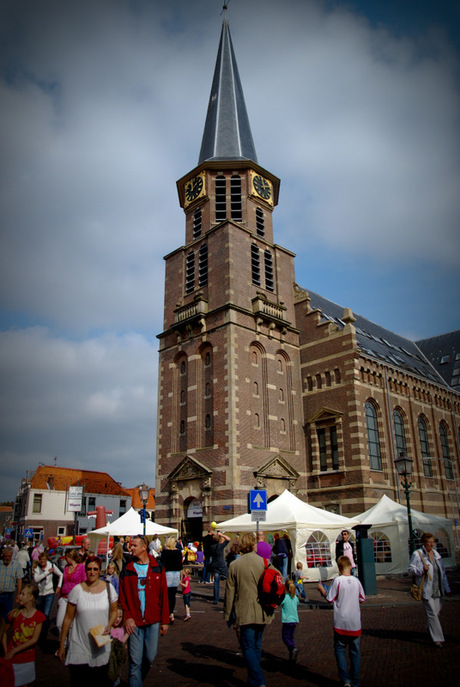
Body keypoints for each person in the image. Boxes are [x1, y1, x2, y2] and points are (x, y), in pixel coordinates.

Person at [224, 532, 275, 687]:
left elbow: (229, 593)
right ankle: (254, 679)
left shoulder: (234, 565)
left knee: (247, 646)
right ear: (254, 545)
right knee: (256, 645)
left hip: (245, 611)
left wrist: (228, 615)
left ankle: (258, 679)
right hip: (263, 611)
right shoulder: (265, 562)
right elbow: (277, 578)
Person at [58, 555, 118, 685]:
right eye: (89, 569)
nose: (92, 572)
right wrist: (62, 645)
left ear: (99, 570)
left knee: (99, 681)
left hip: (101, 643)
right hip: (79, 643)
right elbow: (68, 618)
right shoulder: (77, 590)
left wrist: (109, 624)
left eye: (95, 569)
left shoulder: (109, 589)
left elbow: (114, 610)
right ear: (85, 570)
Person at [119, 534, 169, 687]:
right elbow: (123, 599)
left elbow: (164, 596)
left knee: (149, 657)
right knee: (135, 661)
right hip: (134, 621)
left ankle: (137, 678)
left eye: (134, 545)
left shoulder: (157, 568)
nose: (131, 548)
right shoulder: (127, 570)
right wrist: (128, 617)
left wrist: (165, 620)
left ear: (143, 547)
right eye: (130, 545)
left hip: (153, 620)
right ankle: (135, 680)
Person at [318, 555, 366, 687]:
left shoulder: (337, 581)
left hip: (341, 622)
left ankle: (346, 679)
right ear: (350, 567)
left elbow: (330, 598)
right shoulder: (357, 581)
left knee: (340, 649)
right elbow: (362, 599)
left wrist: (322, 590)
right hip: (354, 622)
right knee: (354, 653)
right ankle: (355, 680)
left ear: (339, 568)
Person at [409, 531, 451, 648]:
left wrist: (447, 588)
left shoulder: (437, 555)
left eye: (432, 542)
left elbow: (442, 572)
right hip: (426, 589)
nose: (431, 545)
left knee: (436, 613)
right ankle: (437, 639)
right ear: (424, 543)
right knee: (432, 614)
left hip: (438, 589)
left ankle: (430, 627)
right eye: (429, 542)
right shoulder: (417, 554)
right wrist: (422, 569)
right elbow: (411, 569)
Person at [6, 582, 45, 687]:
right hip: (12, 657)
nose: (19, 596)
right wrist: (7, 650)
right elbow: (3, 632)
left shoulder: (38, 617)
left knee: (24, 683)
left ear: (31, 597)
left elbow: (34, 640)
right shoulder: (14, 614)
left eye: (23, 594)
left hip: (27, 658)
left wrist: (15, 650)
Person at [33, 551, 63, 645]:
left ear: (46, 560)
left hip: (49, 593)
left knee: (46, 615)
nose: (43, 562)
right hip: (39, 594)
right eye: (41, 560)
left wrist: (59, 586)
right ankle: (38, 635)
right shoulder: (37, 568)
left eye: (44, 560)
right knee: (39, 615)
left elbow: (61, 575)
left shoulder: (51, 565)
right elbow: (36, 579)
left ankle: (43, 637)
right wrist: (46, 573)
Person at [56, 549, 87, 637]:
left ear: (71, 557)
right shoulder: (66, 567)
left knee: (71, 625)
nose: (65, 559)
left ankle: (69, 645)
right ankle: (63, 643)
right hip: (64, 597)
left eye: (67, 557)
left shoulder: (81, 567)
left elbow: (84, 582)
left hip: (75, 599)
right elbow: (63, 582)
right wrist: (59, 596)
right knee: (59, 624)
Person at [160, 536, 183, 623]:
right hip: (176, 574)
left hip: (168, 573)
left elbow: (162, 563)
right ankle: (171, 613)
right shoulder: (178, 552)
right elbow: (180, 565)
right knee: (173, 595)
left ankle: (167, 613)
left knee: (166, 595)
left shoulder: (165, 552)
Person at [0, 547, 23, 621]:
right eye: (6, 556)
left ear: (12, 555)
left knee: (7, 616)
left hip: (9, 595)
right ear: (3, 555)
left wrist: (18, 594)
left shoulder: (16, 565)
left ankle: (4, 632)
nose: (7, 558)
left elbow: (19, 580)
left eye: (9, 556)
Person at [281, 578, 300, 661]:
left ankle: (292, 649)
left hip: (287, 620)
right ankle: (291, 653)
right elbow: (297, 603)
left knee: (285, 637)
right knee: (291, 637)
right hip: (295, 620)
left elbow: (280, 603)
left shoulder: (285, 597)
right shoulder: (295, 597)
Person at [210, 531, 230, 604]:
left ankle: (216, 599)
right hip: (221, 565)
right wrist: (222, 535)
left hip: (215, 565)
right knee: (230, 580)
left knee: (216, 583)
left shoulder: (212, 547)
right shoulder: (220, 546)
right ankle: (229, 596)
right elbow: (228, 539)